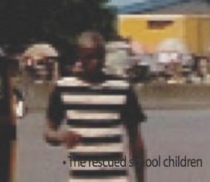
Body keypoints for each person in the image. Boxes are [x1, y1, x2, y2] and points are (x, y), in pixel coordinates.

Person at [45, 31, 147, 181]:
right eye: (90, 57)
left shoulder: (121, 89)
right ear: (79, 57)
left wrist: (141, 179)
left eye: (100, 57)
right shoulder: (64, 89)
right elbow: (48, 132)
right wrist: (60, 136)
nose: (96, 62)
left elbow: (135, 139)